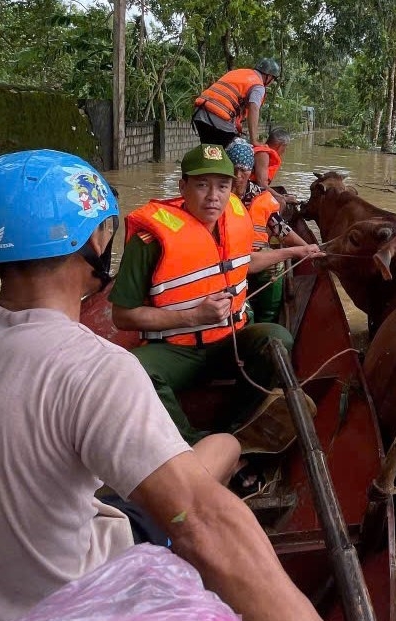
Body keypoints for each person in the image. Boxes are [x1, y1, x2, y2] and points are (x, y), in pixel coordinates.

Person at [0, 150, 338, 621]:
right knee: (222, 449)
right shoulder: (95, 369)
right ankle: (232, 447)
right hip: (50, 619)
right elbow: (203, 524)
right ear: (91, 238)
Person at [109, 143, 322, 442]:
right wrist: (193, 316)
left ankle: (236, 427)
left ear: (232, 187)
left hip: (229, 342)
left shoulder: (234, 218)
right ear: (183, 187)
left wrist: (298, 251)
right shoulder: (149, 241)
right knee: (131, 370)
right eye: (202, 185)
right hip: (177, 350)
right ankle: (192, 443)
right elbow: (122, 317)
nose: (214, 196)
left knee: (277, 339)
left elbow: (245, 263)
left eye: (223, 186)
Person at [226, 138, 308, 323]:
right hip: (227, 261)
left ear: (251, 171)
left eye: (244, 170)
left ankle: (267, 321)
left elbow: (281, 229)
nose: (238, 175)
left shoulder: (260, 196)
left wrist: (307, 248)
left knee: (275, 265)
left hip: (256, 259)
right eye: (233, 169)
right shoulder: (218, 195)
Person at [192, 58, 280, 148]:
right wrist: (254, 140)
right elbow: (254, 108)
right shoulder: (258, 86)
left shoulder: (239, 73)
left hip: (199, 112)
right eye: (273, 79)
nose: (272, 82)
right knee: (231, 152)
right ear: (269, 76)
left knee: (210, 151)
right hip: (219, 117)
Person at [251, 126, 299, 210]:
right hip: (249, 188)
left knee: (281, 193)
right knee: (280, 202)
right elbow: (261, 184)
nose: (284, 151)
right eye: (285, 147)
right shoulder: (263, 154)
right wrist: (282, 198)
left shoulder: (265, 152)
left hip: (254, 186)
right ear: (281, 146)